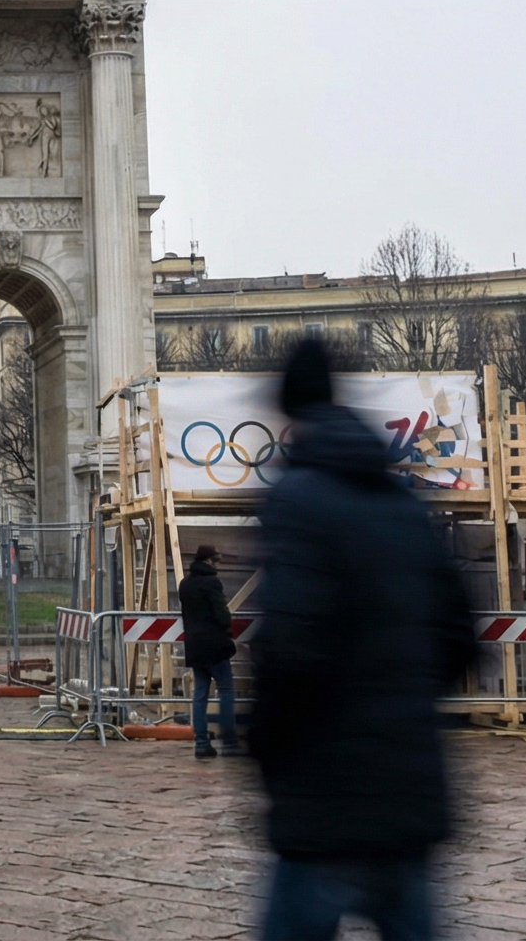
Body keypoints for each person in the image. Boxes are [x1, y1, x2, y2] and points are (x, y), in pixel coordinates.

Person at [248, 339, 477, 941]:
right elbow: (461, 636)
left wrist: (264, 748)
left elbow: (288, 649)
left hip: (323, 796)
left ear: (289, 413)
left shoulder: (295, 500)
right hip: (409, 790)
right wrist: (403, 706)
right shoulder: (405, 500)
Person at [179, 543, 239, 759]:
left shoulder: (184, 584)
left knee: (200, 694)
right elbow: (222, 615)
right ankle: (230, 741)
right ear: (208, 561)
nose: (217, 565)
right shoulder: (212, 583)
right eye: (215, 561)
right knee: (225, 690)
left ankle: (201, 743)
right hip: (214, 646)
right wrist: (227, 632)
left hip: (194, 647)